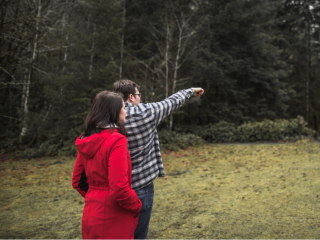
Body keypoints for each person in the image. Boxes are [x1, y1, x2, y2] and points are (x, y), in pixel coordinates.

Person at [113, 80, 204, 240]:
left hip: (114, 189)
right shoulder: (146, 112)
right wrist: (191, 91)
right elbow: (172, 101)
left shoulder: (106, 117)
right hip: (141, 189)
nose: (140, 99)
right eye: (139, 95)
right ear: (132, 97)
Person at [72, 91, 142, 240]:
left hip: (91, 214)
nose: (125, 111)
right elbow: (119, 188)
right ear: (114, 111)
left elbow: (78, 181)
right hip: (114, 218)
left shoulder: (87, 139)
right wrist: (136, 205)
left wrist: (95, 196)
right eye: (123, 107)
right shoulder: (117, 140)